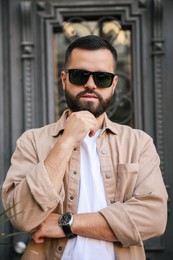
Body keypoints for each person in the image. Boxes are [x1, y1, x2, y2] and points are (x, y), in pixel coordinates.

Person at [2, 35, 167, 260]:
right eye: (80, 75)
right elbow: (22, 216)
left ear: (114, 84)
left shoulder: (138, 143)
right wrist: (67, 140)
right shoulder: (32, 141)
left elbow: (154, 218)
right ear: (64, 79)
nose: (90, 84)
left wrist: (67, 224)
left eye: (102, 78)